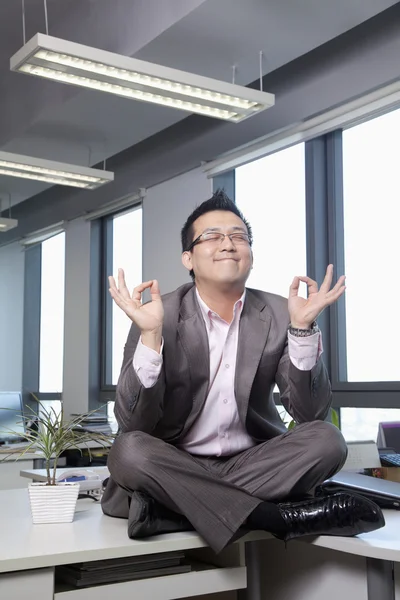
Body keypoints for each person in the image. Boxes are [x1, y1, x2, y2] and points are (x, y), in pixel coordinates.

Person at [102, 190, 384, 554]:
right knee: (128, 450)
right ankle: (272, 517)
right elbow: (133, 421)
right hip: (175, 459)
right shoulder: (158, 314)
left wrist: (301, 330)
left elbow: (310, 415)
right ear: (188, 257)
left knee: (327, 439)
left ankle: (173, 510)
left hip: (253, 463)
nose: (228, 245)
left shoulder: (282, 312)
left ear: (250, 253)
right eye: (212, 237)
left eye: (238, 237)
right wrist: (151, 336)